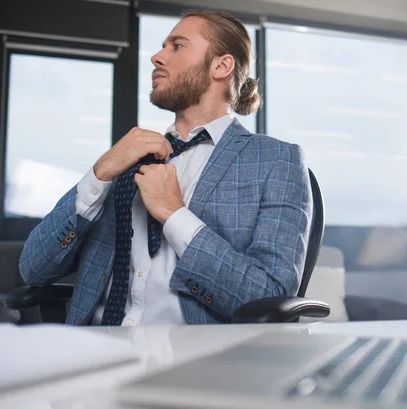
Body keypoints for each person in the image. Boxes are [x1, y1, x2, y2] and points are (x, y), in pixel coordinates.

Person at [19, 10, 313, 326]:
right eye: (162, 47)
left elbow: (269, 298)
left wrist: (174, 215)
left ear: (221, 66)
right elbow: (34, 268)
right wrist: (100, 172)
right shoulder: (129, 158)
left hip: (194, 361)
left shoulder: (276, 161)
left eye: (177, 46)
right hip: (93, 350)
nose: (157, 57)